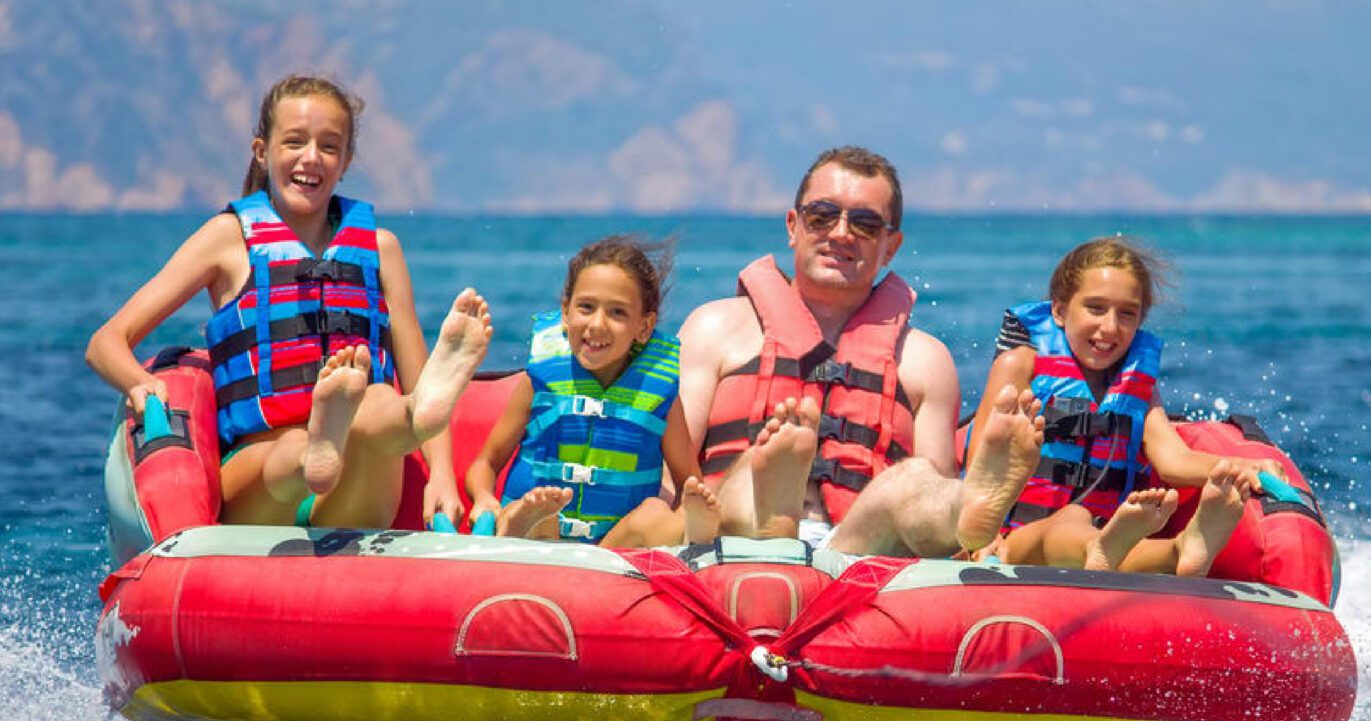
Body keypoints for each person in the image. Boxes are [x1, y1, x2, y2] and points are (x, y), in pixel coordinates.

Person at [86, 74, 491, 530]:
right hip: (264, 481)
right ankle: (318, 447)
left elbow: (418, 375)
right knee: (292, 453)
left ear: (346, 162)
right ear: (262, 151)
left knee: (380, 400)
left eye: (329, 147)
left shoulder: (382, 250)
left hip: (356, 488)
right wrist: (138, 383)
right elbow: (106, 342)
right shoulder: (227, 239)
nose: (311, 158)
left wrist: (441, 475)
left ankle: (410, 419)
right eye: (295, 142)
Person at [827, 236, 1280, 575]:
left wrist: (1242, 466)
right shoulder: (1021, 364)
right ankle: (1119, 550)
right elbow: (982, 457)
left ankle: (1184, 549)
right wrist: (974, 538)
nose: (1110, 327)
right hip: (1011, 540)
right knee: (1068, 525)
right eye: (1096, 308)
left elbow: (1172, 458)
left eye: (1127, 314)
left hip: (1098, 529)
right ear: (1060, 311)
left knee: (1088, 529)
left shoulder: (1138, 386)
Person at [601, 146, 962, 548]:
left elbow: (929, 505)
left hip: (858, 549)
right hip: (731, 537)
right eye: (822, 216)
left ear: (890, 246)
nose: (841, 232)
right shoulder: (715, 329)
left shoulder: (925, 361)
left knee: (913, 482)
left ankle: (976, 501)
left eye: (864, 224)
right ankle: (773, 514)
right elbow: (670, 479)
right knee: (750, 472)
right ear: (793, 226)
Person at [464, 237, 719, 545]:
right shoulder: (540, 380)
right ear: (565, 312)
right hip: (541, 531)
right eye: (586, 307)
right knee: (533, 510)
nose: (597, 324)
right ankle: (527, 523)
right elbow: (485, 464)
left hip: (613, 546)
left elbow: (688, 482)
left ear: (644, 326)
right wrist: (482, 498)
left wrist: (690, 509)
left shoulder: (660, 395)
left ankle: (686, 532)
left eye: (617, 313)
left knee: (654, 512)